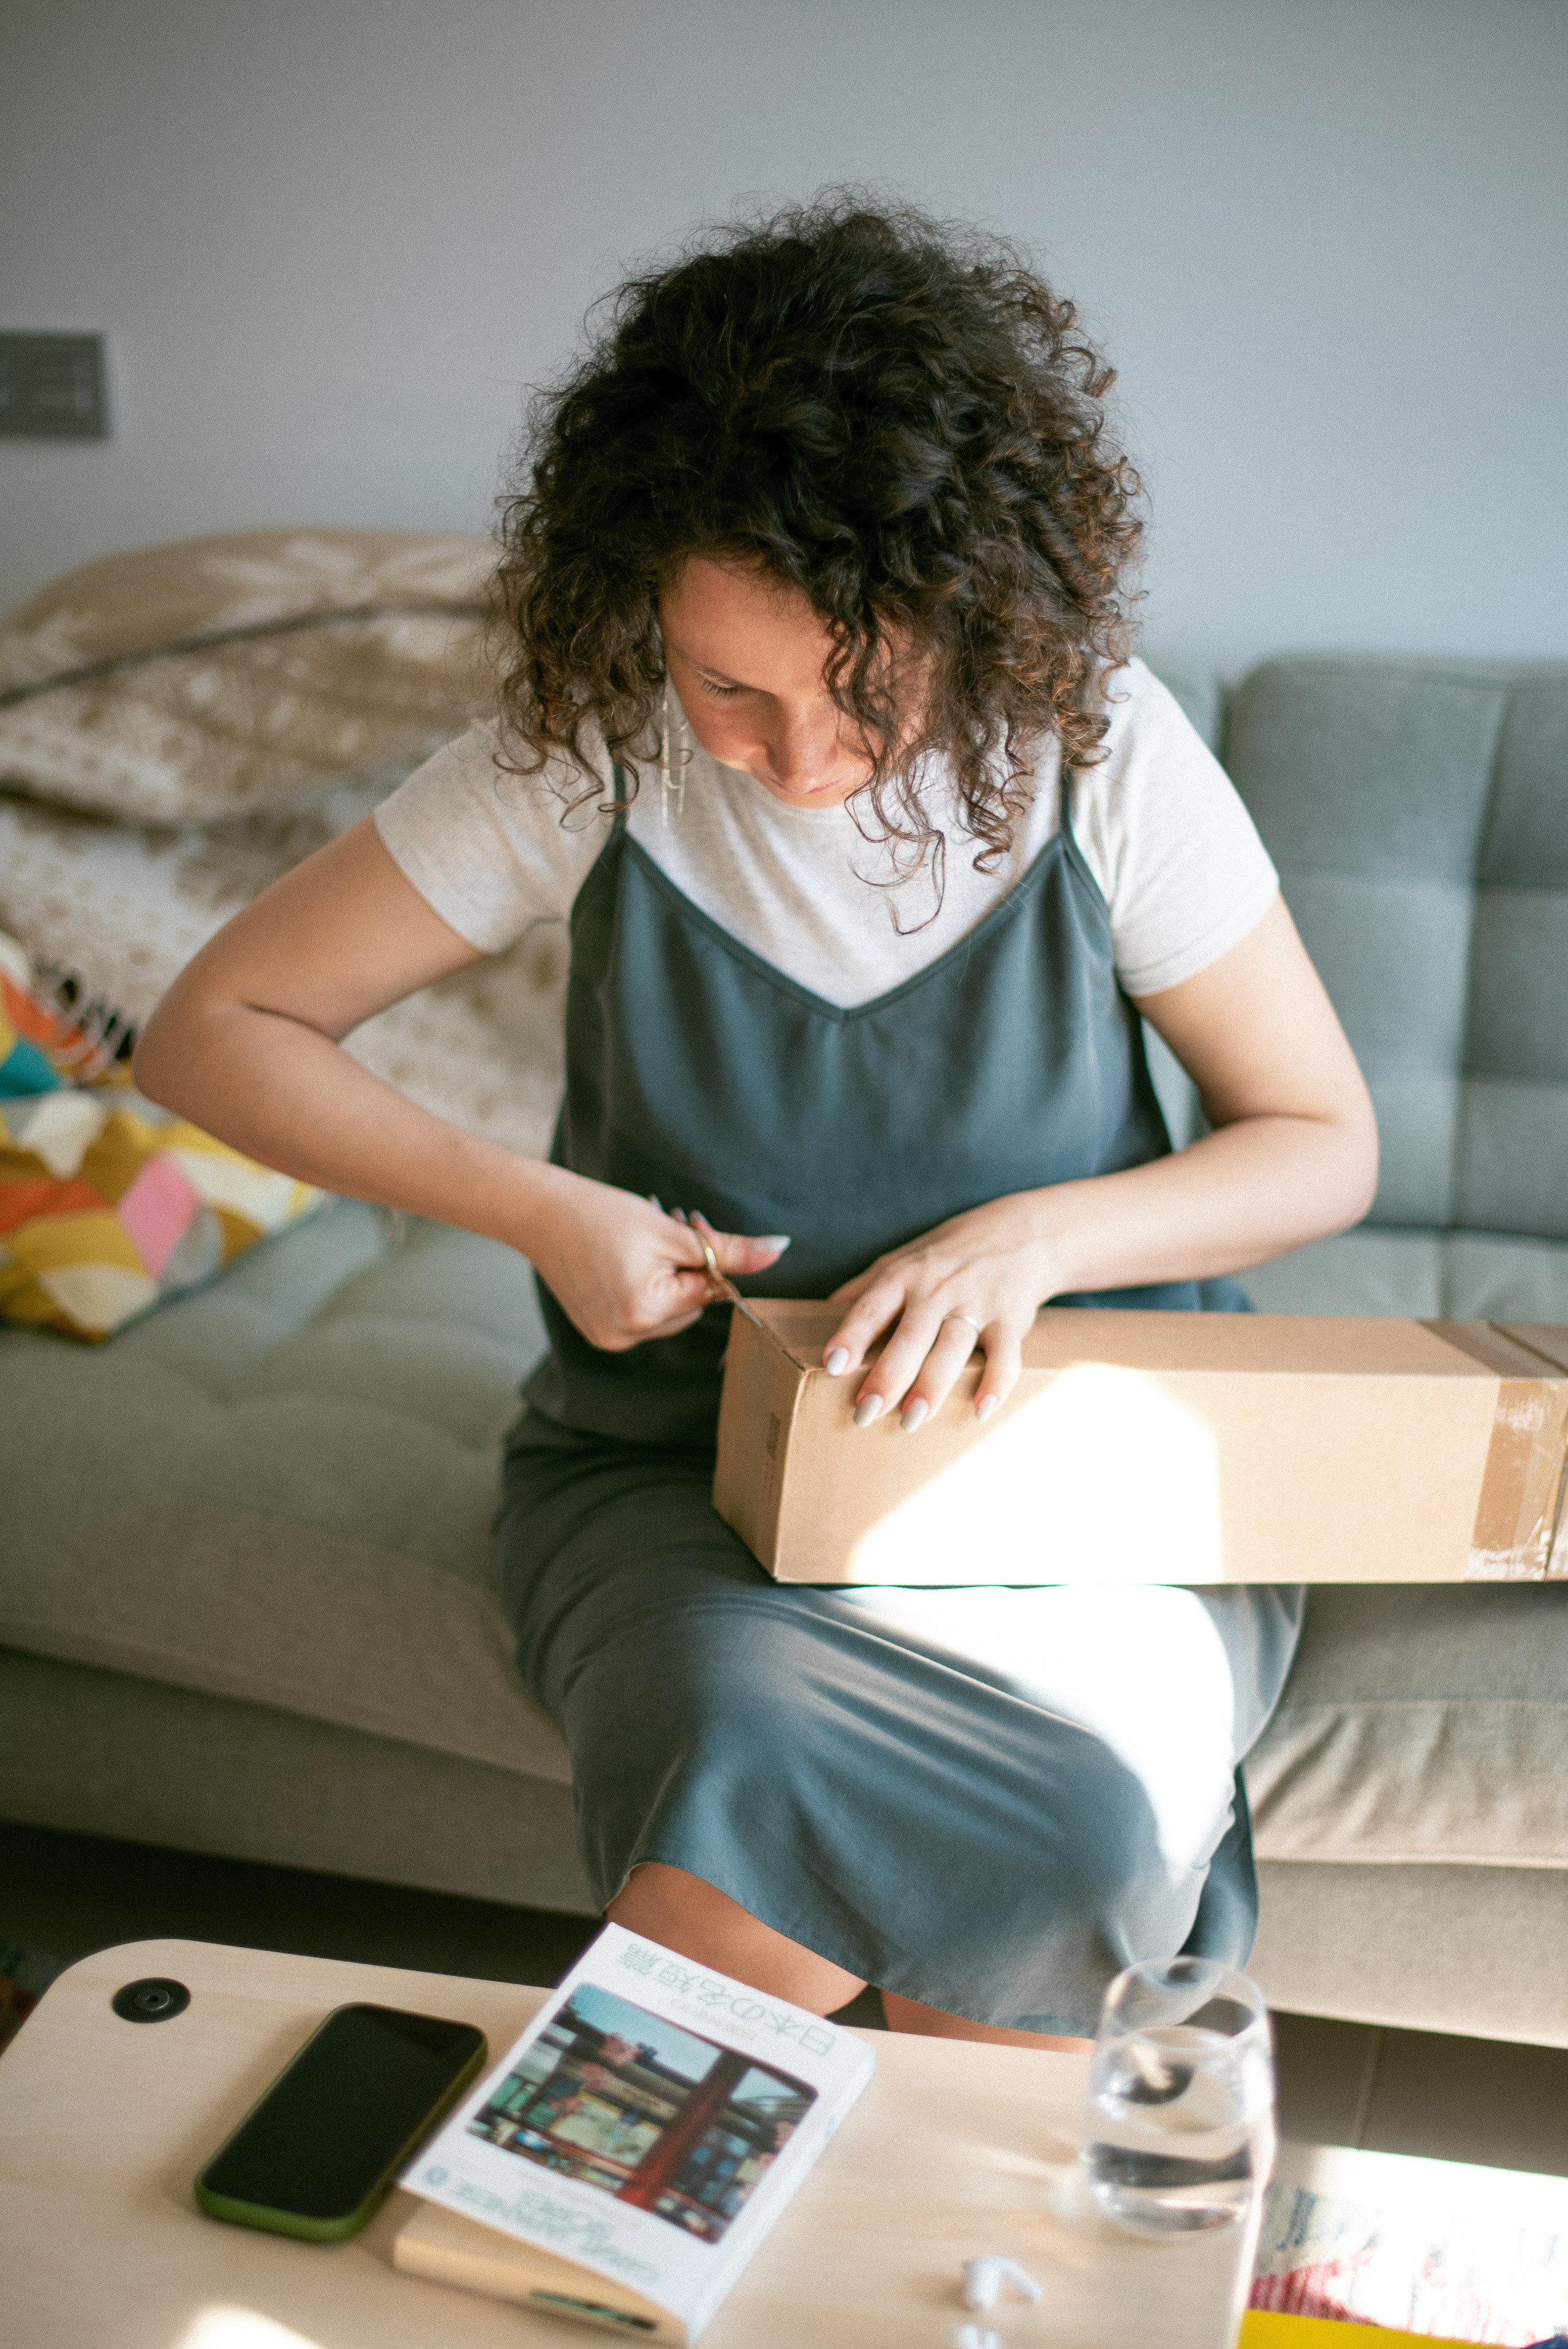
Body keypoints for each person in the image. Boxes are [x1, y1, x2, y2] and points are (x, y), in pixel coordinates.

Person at [135, 197, 1378, 2049]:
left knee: (1084, 1812)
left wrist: (1031, 1237)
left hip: (1080, 1475)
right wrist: (542, 1207)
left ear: (975, 602)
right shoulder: (589, 753)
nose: (800, 762)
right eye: (733, 686)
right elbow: (210, 1029)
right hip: (677, 1480)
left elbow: (1318, 1138)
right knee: (736, 1752)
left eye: (864, 689)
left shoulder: (1097, 751)